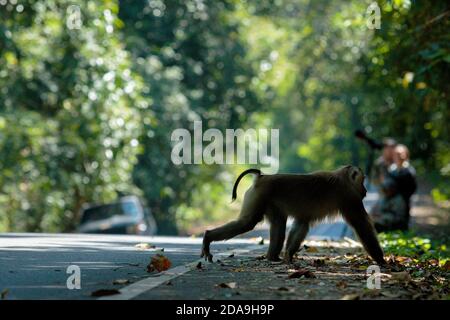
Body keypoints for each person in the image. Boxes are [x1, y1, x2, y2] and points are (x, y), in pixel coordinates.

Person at [388, 144, 417, 228]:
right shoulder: (391, 169)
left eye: (400, 154)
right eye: (396, 154)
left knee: (403, 221)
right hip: (391, 201)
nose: (399, 156)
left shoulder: (409, 171)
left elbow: (412, 188)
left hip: (404, 200)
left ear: (406, 155)